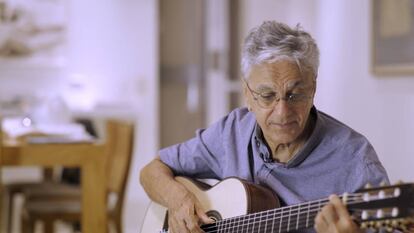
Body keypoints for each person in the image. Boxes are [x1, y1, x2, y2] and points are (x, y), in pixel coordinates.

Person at [140, 21, 389, 233]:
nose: (282, 111)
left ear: (313, 89)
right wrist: (178, 200)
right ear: (247, 94)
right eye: (267, 95)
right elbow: (151, 171)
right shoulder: (232, 131)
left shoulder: (356, 160)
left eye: (295, 94)